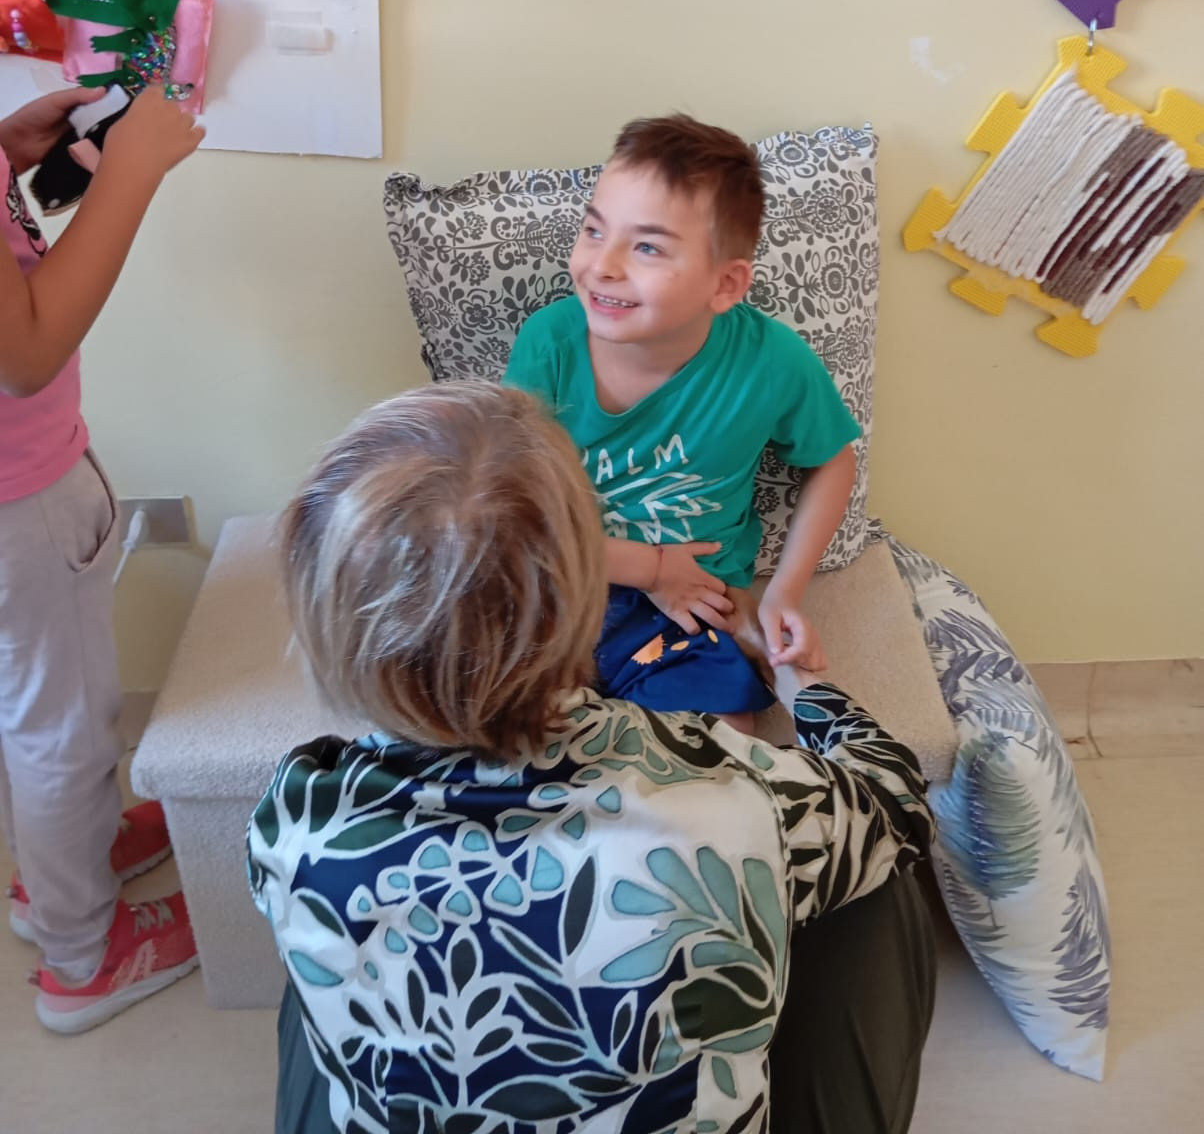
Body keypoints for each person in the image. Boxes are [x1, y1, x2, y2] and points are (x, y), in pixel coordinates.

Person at [251, 381, 936, 1134]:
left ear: (322, 616)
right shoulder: (726, 803)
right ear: (582, 597)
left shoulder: (297, 812)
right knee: (874, 878)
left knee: (313, 944)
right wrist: (801, 683)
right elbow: (898, 796)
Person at [1, 0, 203, 1030]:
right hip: (19, 491)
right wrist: (128, 176)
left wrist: (19, 149)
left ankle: (58, 854)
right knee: (60, 712)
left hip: (29, 484)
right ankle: (79, 951)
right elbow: (28, 350)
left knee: (43, 696)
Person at [504, 114, 860, 728]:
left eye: (646, 247)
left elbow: (832, 459)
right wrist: (651, 568)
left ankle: (747, 646)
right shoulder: (549, 344)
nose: (603, 265)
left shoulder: (773, 362)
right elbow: (514, 508)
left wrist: (786, 590)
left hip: (693, 600)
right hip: (560, 578)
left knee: (724, 745)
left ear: (725, 285)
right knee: (497, 715)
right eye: (593, 230)